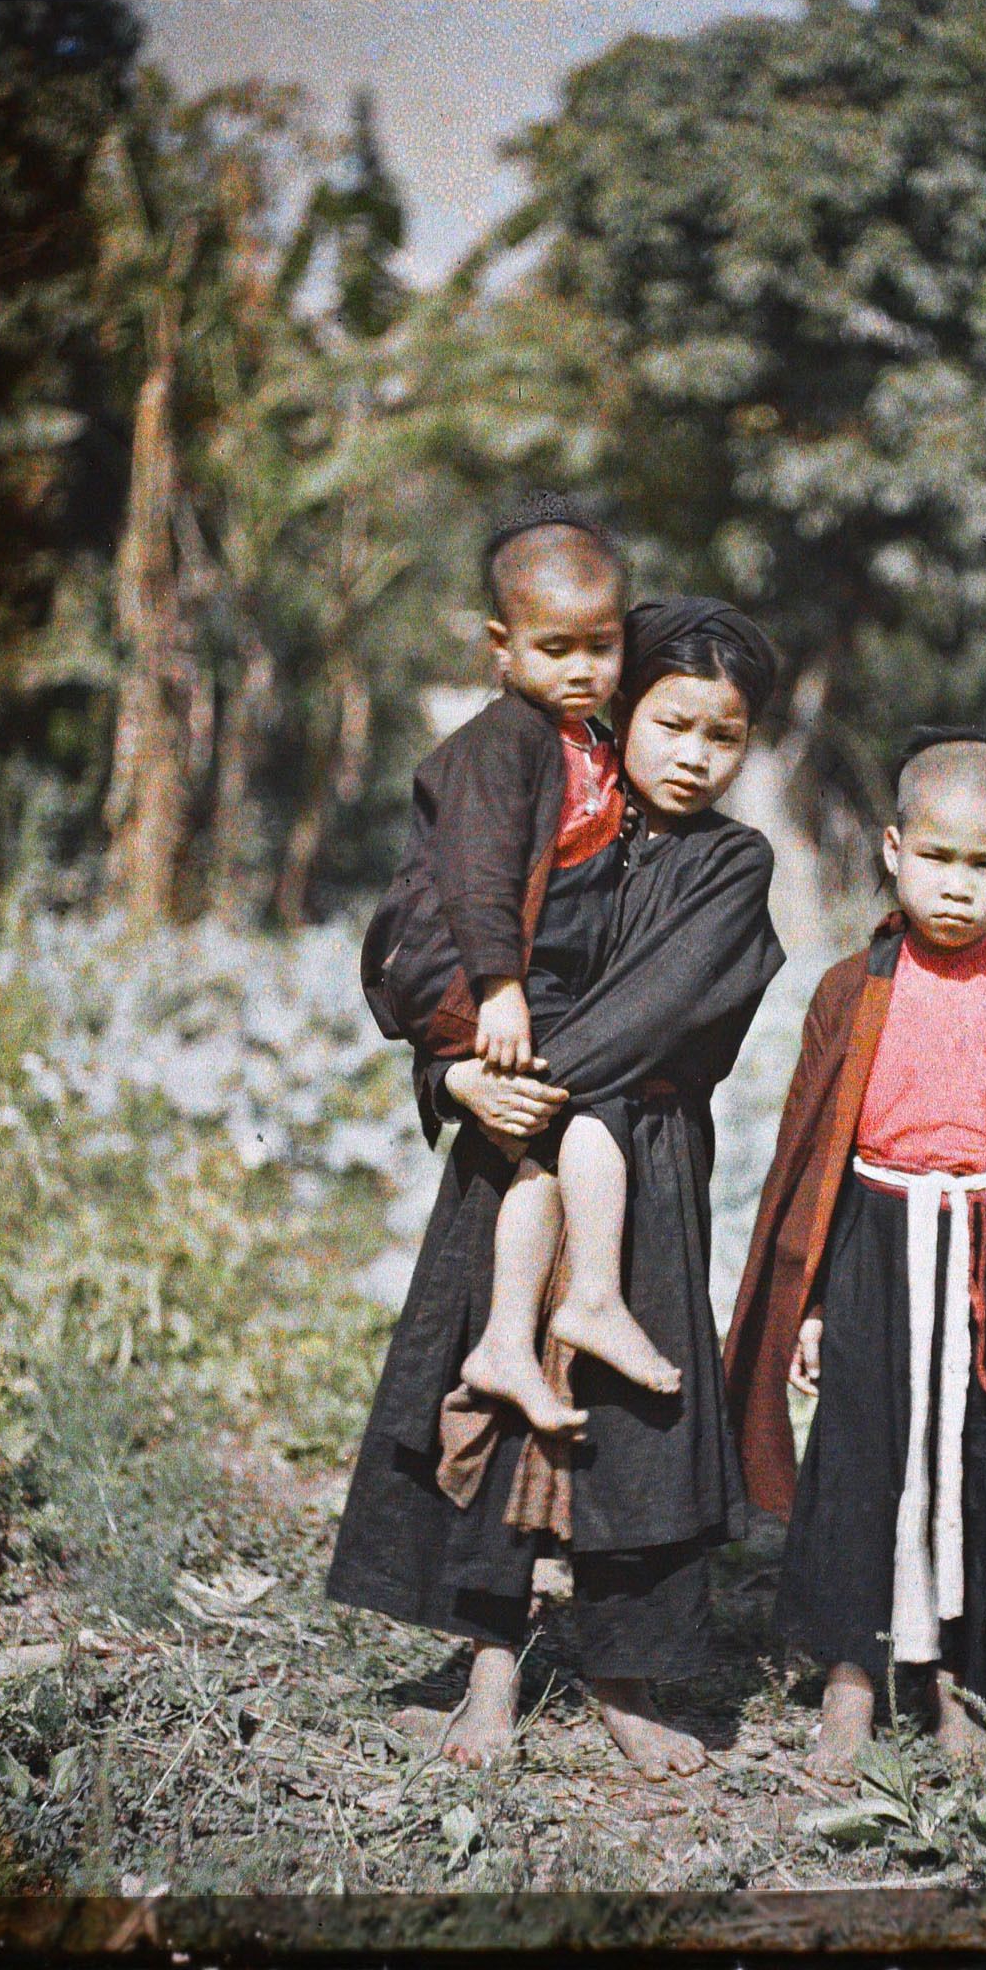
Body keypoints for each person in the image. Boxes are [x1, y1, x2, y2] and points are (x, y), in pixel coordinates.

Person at [328, 596, 785, 1779]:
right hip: (512, 1156)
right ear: (620, 708)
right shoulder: (542, 816)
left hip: (641, 1159)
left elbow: (662, 1011)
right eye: (671, 722)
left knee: (628, 1431)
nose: (692, 755)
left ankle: (623, 1677)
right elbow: (416, 933)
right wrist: (449, 1069)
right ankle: (490, 1670)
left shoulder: (732, 863)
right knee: (496, 1396)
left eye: (722, 736)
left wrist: (498, 1077)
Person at [723, 725, 986, 1784]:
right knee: (861, 1454)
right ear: (895, 850)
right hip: (876, 1235)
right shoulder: (850, 989)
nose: (957, 888)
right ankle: (850, 1683)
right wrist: (808, 1301)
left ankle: (954, 1681)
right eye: (939, 857)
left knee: (980, 1453)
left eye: (985, 864)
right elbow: (808, 1156)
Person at [360, 492, 677, 1438]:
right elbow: (477, 878)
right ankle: (587, 1298)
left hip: (534, 975)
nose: (584, 671)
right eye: (556, 650)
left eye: (603, 647)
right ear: (502, 646)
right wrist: (498, 990)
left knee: (536, 1153)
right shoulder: (499, 746)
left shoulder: (584, 740)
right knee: (582, 1114)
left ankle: (506, 1339)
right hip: (471, 970)